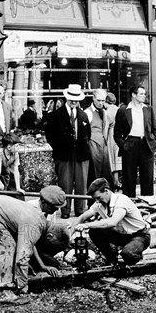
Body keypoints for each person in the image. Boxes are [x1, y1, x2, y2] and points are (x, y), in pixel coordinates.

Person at [0, 190, 70, 304]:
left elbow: (25, 247)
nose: (56, 210)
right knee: (5, 247)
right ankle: (4, 292)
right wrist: (22, 287)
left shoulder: (37, 217)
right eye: (54, 208)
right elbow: (22, 257)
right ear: (50, 236)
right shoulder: (35, 224)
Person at [71, 177, 151, 267]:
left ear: (106, 191)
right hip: (122, 236)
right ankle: (112, 259)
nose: (97, 201)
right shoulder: (99, 203)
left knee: (127, 255)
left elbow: (113, 222)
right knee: (94, 231)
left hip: (139, 236)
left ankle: (136, 254)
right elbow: (82, 217)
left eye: (98, 197)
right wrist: (70, 236)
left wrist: (87, 225)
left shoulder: (121, 200)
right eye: (95, 199)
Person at [45, 84, 91, 219]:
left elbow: (88, 134)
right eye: (72, 99)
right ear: (66, 98)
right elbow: (50, 136)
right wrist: (59, 148)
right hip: (63, 154)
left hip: (81, 154)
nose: (74, 102)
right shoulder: (55, 115)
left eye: (77, 100)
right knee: (65, 183)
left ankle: (80, 210)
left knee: (81, 184)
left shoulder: (83, 115)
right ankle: (65, 211)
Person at [114, 85, 156, 197]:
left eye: (144, 94)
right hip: (130, 144)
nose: (144, 96)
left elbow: (154, 130)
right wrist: (124, 146)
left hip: (146, 144)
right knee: (128, 177)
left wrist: (153, 144)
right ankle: (129, 203)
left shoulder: (149, 109)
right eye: (141, 94)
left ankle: (148, 204)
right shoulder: (123, 110)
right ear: (133, 95)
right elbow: (117, 133)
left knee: (147, 176)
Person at [85, 89, 112, 186]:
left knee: (105, 175)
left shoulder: (104, 112)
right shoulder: (88, 113)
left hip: (103, 146)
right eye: (98, 100)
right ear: (93, 99)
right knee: (94, 175)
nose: (101, 103)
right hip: (93, 146)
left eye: (103, 101)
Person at [104, 92, 122, 190]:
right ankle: (117, 180)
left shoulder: (107, 112)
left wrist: (104, 139)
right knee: (117, 159)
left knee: (111, 159)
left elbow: (106, 127)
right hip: (119, 136)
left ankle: (113, 181)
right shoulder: (119, 109)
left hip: (111, 135)